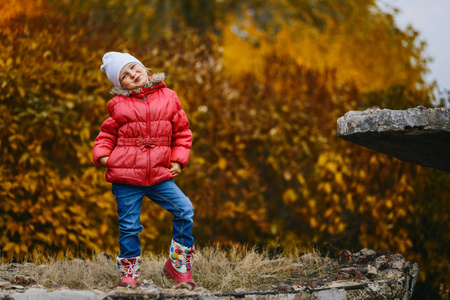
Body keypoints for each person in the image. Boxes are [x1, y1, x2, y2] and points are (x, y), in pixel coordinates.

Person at [93, 52, 197, 289]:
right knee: (129, 226)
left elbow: (182, 132)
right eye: (125, 76)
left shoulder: (169, 97)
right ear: (120, 84)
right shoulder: (118, 105)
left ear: (144, 68)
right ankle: (130, 273)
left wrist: (178, 160)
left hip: (159, 175)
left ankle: (178, 265)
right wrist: (104, 157)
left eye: (133, 68)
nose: (133, 75)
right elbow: (107, 134)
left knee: (184, 210)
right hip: (126, 177)